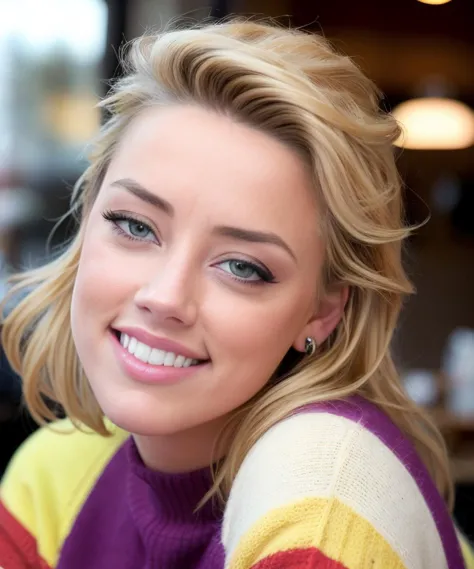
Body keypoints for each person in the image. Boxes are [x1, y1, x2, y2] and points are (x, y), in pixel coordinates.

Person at [0, 19, 472, 569]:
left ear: (323, 310)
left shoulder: (326, 506)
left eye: (242, 266)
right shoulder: (56, 472)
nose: (166, 297)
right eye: (134, 226)